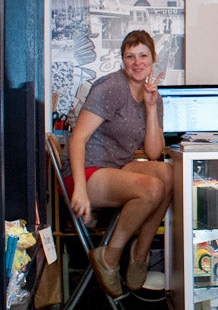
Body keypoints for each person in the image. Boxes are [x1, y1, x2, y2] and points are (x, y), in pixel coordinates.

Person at [66, 30, 172, 296]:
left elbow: (153, 152)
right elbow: (77, 138)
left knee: (168, 174)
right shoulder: (111, 88)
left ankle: (141, 252)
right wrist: (79, 189)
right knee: (152, 188)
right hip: (87, 171)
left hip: (116, 169)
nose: (137, 62)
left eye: (142, 56)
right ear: (123, 60)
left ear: (152, 58)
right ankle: (110, 257)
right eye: (130, 56)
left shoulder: (152, 95)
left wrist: (150, 107)